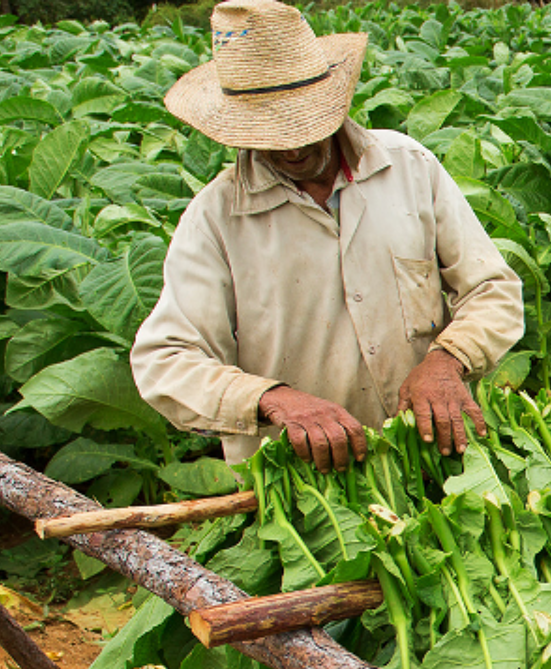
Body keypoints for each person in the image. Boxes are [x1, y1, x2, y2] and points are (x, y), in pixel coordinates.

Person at [132, 0, 524, 472]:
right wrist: (271, 399)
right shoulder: (216, 217)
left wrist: (448, 360)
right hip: (303, 486)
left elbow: (492, 289)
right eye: (269, 133)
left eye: (304, 124)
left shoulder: (410, 167)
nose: (293, 147)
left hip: (433, 457)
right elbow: (165, 360)